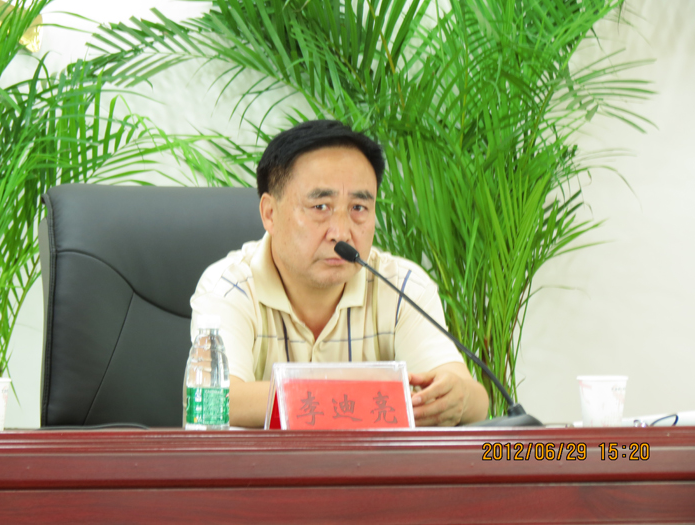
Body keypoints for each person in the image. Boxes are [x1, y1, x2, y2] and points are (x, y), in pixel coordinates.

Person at [190, 120, 489, 427]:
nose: (342, 232)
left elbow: (475, 400)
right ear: (270, 213)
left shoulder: (402, 286)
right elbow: (216, 401)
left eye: (358, 208)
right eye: (321, 207)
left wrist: (458, 398)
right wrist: (369, 398)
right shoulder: (229, 287)